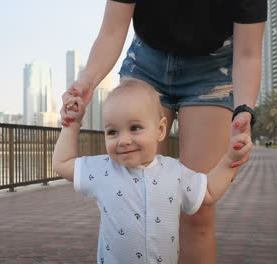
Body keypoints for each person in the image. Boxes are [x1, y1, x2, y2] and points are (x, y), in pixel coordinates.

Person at [60, 1, 266, 263]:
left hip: (214, 69)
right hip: (147, 62)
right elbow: (112, 31)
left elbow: (249, 54)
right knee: (129, 183)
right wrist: (87, 81)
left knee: (199, 211)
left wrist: (244, 109)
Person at [53, 79, 252, 263]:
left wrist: (230, 160)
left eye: (135, 127)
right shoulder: (103, 170)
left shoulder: (174, 172)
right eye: (112, 131)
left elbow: (208, 192)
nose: (123, 140)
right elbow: (63, 163)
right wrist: (72, 124)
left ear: (160, 130)